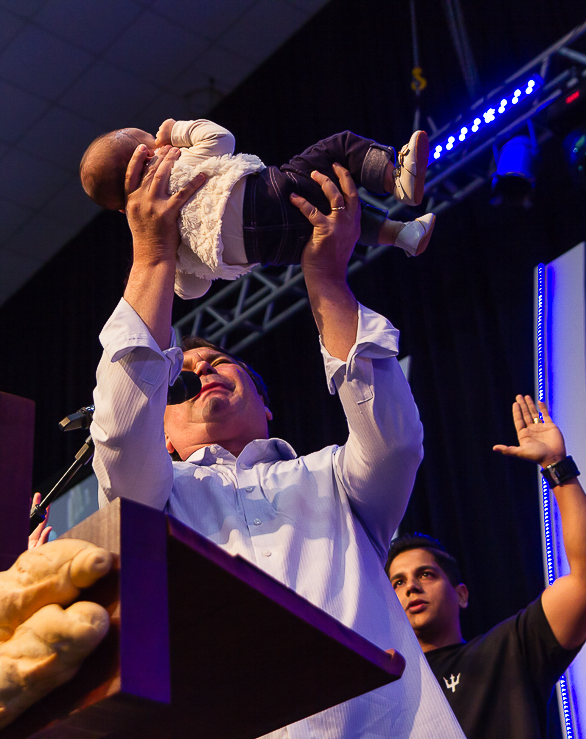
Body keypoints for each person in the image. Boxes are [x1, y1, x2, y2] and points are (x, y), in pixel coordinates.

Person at [89, 143, 463, 737]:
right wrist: (153, 260)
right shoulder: (155, 504)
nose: (204, 372)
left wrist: (329, 285)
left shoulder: (334, 480)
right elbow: (120, 428)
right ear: (161, 432)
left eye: (220, 362)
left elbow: (396, 444)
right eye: (181, 378)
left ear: (265, 401)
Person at [386, 395, 586, 739]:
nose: (411, 588)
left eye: (426, 574)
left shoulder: (512, 648)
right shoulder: (381, 693)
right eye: (398, 583)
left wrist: (556, 464)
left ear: (461, 594)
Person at [80, 118, 435, 298]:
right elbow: (223, 139)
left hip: (277, 250)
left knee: (338, 217)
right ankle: (394, 179)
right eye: (151, 140)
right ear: (149, 155)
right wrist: (176, 130)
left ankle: (404, 235)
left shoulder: (160, 232)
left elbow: (194, 290)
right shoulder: (177, 164)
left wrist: (171, 264)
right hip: (270, 195)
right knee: (336, 147)